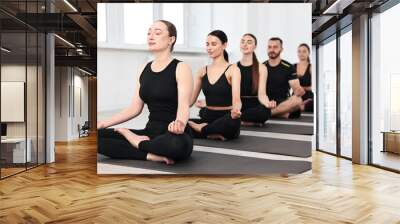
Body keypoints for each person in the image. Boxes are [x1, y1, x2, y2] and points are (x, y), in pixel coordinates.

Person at [97, 20, 193, 165]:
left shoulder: (181, 67)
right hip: (150, 133)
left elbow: (184, 106)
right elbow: (135, 108)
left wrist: (179, 124)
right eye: (149, 33)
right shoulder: (143, 69)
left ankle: (135, 141)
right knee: (96, 138)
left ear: (171, 39)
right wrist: (103, 123)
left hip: (173, 134)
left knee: (177, 147)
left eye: (157, 32)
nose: (151, 36)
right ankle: (149, 154)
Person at [188, 30, 242, 141]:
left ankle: (202, 130)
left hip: (226, 118)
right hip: (207, 116)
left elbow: (237, 99)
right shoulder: (202, 71)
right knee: (177, 124)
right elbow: (190, 101)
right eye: (207, 44)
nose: (209, 48)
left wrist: (236, 110)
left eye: (214, 44)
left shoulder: (233, 70)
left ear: (224, 45)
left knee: (232, 123)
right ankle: (210, 132)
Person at [237, 33, 275, 126]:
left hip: (254, 106)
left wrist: (267, 103)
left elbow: (262, 94)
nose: (245, 44)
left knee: (265, 112)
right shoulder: (234, 67)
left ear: (255, 46)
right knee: (205, 111)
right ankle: (244, 121)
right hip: (237, 104)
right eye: (243, 42)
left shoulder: (261, 68)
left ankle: (239, 120)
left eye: (249, 42)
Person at [263, 37, 305, 119]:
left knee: (298, 100)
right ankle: (282, 113)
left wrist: (298, 90)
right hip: (265, 102)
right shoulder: (262, 66)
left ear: (281, 49)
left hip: (283, 102)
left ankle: (268, 114)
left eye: (275, 47)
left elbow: (296, 88)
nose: (272, 49)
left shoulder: (289, 67)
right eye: (269, 47)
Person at [294, 43, 313, 113]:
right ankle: (298, 105)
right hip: (296, 96)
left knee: (311, 104)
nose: (301, 53)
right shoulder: (293, 67)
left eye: (304, 51)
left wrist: (303, 88)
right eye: (299, 51)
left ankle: (300, 106)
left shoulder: (311, 67)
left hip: (308, 97)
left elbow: (314, 87)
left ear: (308, 53)